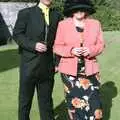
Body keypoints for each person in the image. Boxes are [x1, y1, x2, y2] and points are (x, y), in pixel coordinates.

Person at [53, 0, 105, 119]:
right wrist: (71, 50)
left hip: (90, 70)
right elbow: (57, 47)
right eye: (76, 8)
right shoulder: (63, 25)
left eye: (82, 8)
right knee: (76, 106)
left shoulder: (95, 23)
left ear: (87, 9)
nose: (79, 11)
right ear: (71, 10)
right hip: (69, 73)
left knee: (95, 105)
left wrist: (90, 50)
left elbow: (101, 45)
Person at [13, 0, 62, 120]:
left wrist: (57, 62)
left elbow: (60, 41)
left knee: (46, 102)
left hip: (47, 65)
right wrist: (33, 45)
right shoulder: (25, 13)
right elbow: (17, 34)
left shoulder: (57, 15)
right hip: (28, 65)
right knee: (25, 102)